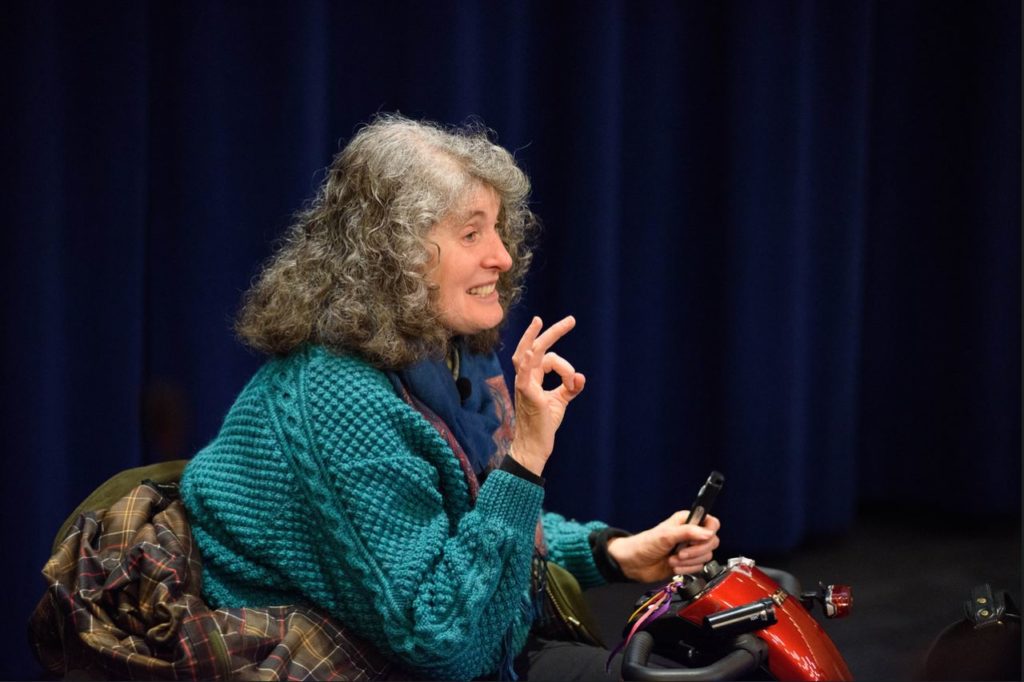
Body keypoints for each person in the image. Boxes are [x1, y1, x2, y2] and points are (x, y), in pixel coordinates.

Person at [179, 114, 720, 681]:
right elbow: (441, 640)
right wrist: (527, 456)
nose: (502, 258)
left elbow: (466, 524)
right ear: (392, 253)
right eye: (470, 233)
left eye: (496, 228)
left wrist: (612, 552)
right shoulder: (337, 398)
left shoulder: (449, 352)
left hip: (481, 640)